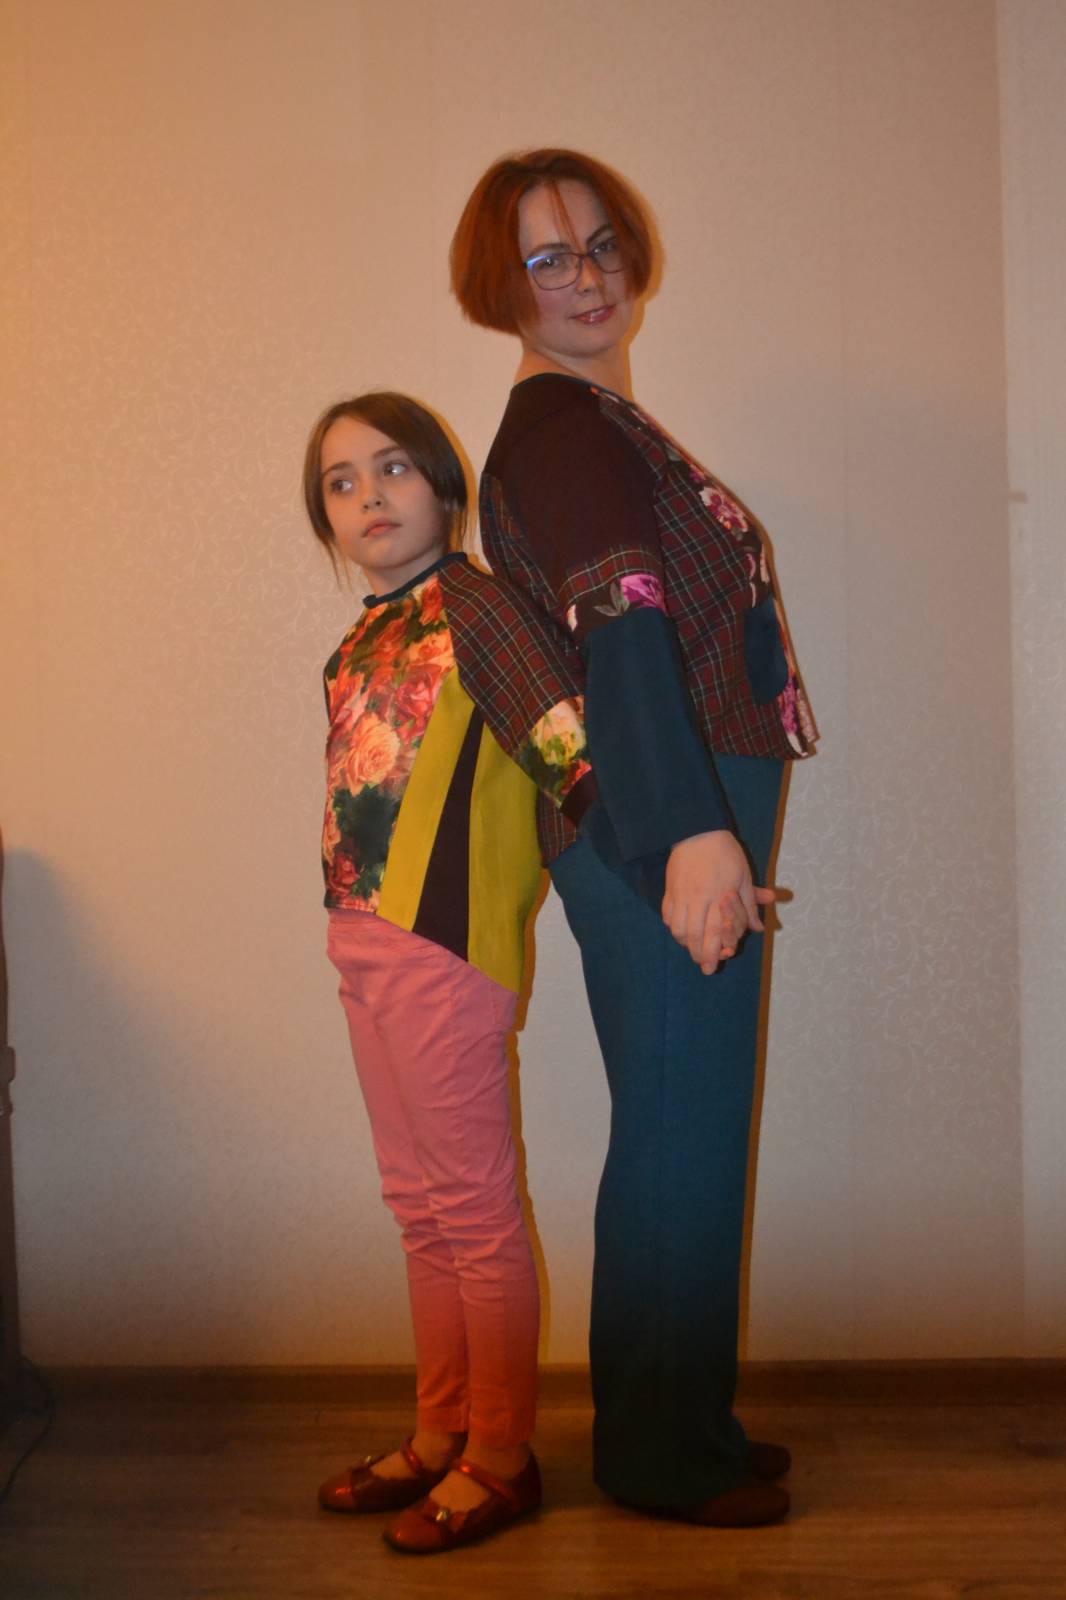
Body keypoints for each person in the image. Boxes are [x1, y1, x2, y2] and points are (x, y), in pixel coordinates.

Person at [450, 150, 818, 1527]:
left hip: (687, 803)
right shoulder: (564, 434)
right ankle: (661, 1456)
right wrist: (689, 836)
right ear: (502, 284)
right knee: (678, 1126)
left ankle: (683, 1420)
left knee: (686, 1123)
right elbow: (624, 633)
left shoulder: (597, 424)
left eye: (601, 242)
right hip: (672, 813)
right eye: (548, 256)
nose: (588, 275)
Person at [304, 391, 600, 1553]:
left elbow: (575, 754)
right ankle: (439, 1433)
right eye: (340, 482)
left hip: (445, 948)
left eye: (391, 468)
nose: (368, 496)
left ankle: (503, 1454)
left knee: (472, 1215)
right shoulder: (360, 639)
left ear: (442, 483)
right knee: (420, 1210)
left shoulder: (480, 609)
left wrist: (680, 858)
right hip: (360, 942)